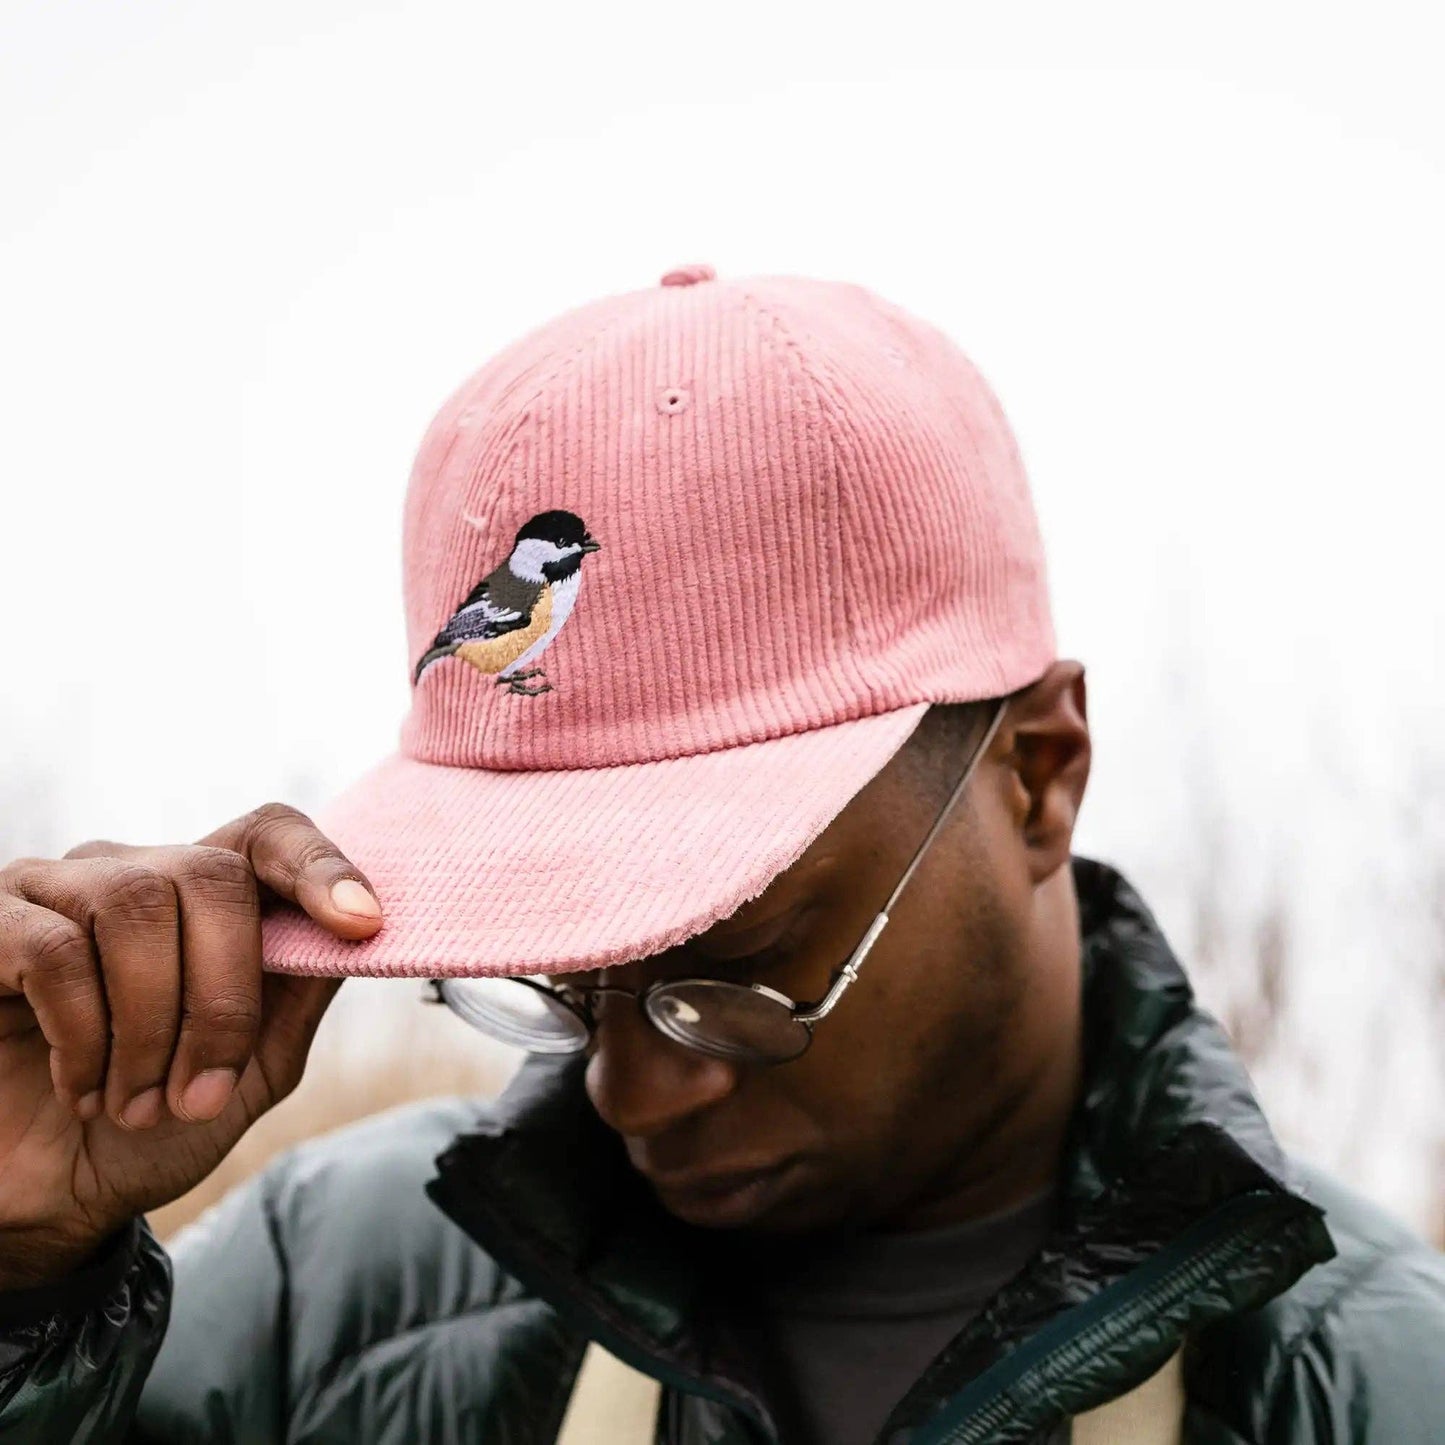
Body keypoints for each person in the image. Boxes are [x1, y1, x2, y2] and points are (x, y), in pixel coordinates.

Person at [0, 266, 1441, 1445]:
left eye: (736, 967)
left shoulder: (1376, 1385)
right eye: (565, 975)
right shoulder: (313, 1299)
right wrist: (18, 1279)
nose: (626, 1085)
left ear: (1038, 771)